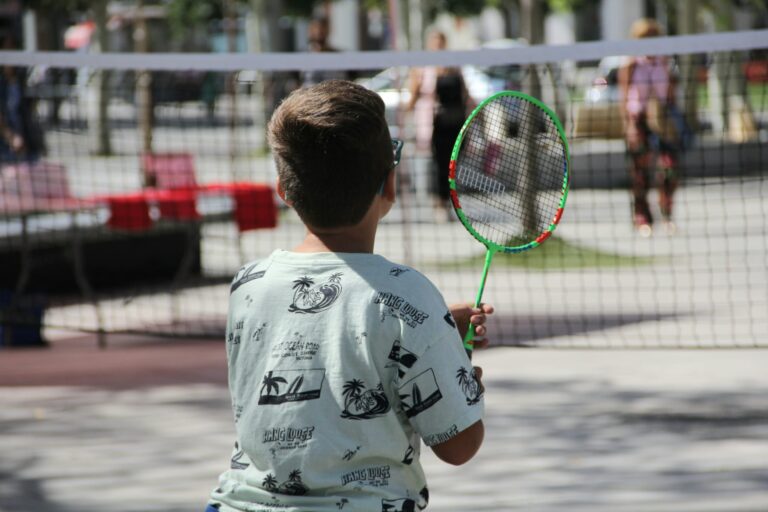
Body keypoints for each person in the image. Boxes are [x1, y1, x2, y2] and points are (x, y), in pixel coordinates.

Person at [205, 80, 493, 512]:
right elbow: (459, 445)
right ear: (390, 186)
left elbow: (331, 336)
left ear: (283, 189)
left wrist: (435, 331)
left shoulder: (249, 284)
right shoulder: (410, 296)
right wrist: (457, 369)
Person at [618, 18, 680, 237]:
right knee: (640, 172)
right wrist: (629, 126)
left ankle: (667, 214)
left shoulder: (665, 61)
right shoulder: (631, 63)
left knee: (669, 168)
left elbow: (671, 93)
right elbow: (624, 97)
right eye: (646, 37)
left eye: (654, 37)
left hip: (662, 118)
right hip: (639, 119)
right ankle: (642, 217)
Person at [407, 31, 472, 221]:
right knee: (439, 164)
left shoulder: (454, 68)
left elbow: (465, 95)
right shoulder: (422, 69)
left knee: (453, 164)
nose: (438, 47)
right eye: (435, 43)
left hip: (455, 122)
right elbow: (413, 96)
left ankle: (450, 202)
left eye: (441, 43)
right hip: (435, 125)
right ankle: (440, 203)